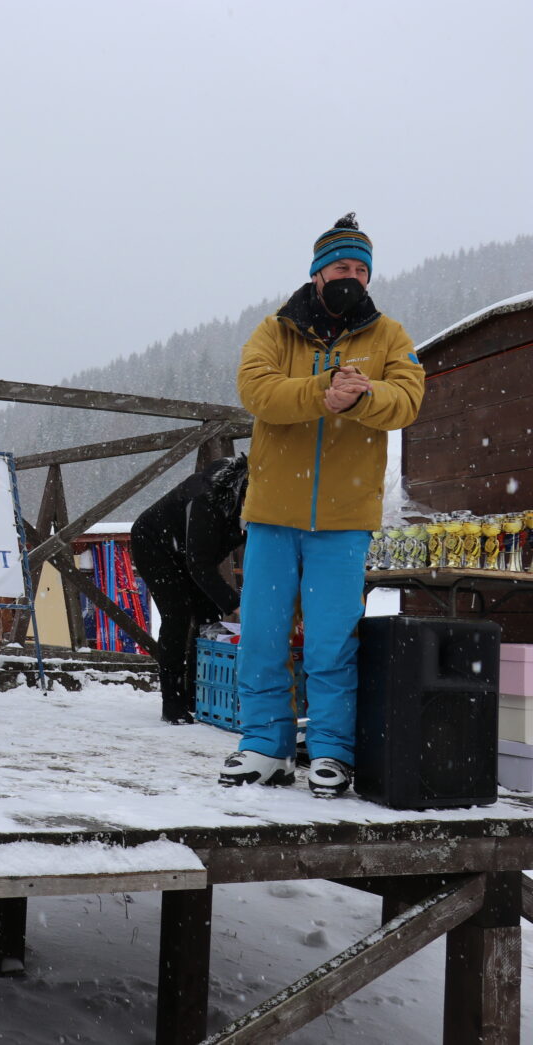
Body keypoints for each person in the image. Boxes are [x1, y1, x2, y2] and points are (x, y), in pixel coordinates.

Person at [220, 214, 424, 797]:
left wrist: (363, 396)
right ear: (316, 275)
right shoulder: (273, 331)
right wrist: (320, 392)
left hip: (344, 520)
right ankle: (265, 745)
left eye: (362, 269)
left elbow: (408, 399)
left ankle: (333, 752)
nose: (352, 277)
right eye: (341, 267)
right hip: (272, 516)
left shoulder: (390, 336)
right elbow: (255, 391)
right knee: (261, 635)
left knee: (333, 642)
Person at [130, 455, 248, 725]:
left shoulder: (243, 503)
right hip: (154, 545)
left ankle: (200, 697)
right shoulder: (206, 501)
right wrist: (235, 604)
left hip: (187, 552)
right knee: (177, 615)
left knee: (208, 617)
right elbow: (200, 565)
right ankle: (173, 705)